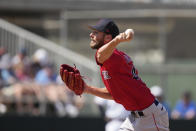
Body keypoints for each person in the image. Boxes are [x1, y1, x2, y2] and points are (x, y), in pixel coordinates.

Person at [82, 19, 169, 131]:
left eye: (96, 32)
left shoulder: (112, 57)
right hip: (135, 118)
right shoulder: (110, 59)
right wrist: (87, 89)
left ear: (108, 38)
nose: (91, 34)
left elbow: (100, 55)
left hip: (150, 117)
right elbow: (114, 94)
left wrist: (117, 40)